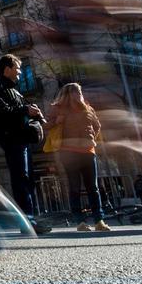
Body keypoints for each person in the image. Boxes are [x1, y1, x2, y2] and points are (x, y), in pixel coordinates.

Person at [0, 55, 51, 235]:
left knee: (28, 178)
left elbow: (19, 111)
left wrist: (34, 113)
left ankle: (31, 218)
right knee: (20, 177)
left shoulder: (16, 91)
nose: (20, 72)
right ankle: (27, 220)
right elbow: (3, 112)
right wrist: (25, 110)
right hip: (11, 138)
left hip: (22, 138)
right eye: (18, 68)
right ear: (7, 68)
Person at [49, 83, 109, 232]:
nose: (79, 95)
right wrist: (56, 122)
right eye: (76, 92)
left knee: (93, 188)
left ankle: (99, 221)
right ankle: (80, 222)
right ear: (67, 94)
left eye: (79, 92)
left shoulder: (88, 108)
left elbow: (97, 125)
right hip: (68, 153)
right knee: (75, 188)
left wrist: (91, 139)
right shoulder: (58, 109)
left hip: (88, 152)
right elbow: (46, 126)